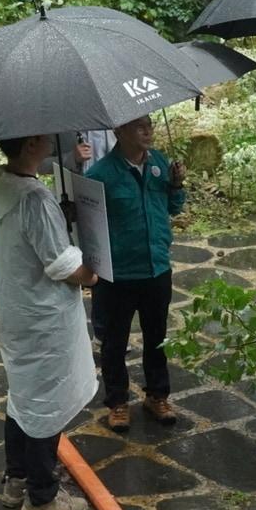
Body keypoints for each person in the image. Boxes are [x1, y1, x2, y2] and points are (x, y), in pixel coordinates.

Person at [0, 134, 97, 510]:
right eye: (44, 136)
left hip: (16, 310)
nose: (51, 137)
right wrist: (92, 274)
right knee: (47, 403)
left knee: (23, 395)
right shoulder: (33, 198)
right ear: (32, 143)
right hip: (43, 316)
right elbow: (62, 266)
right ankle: (43, 496)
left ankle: (15, 479)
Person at [86, 114, 186, 432]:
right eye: (139, 126)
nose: (148, 131)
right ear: (118, 131)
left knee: (156, 337)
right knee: (114, 342)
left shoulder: (159, 162)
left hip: (156, 266)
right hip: (118, 274)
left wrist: (177, 184)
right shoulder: (101, 174)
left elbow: (173, 208)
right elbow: (88, 224)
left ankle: (157, 395)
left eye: (150, 125)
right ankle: (117, 402)